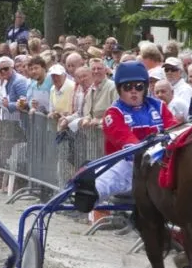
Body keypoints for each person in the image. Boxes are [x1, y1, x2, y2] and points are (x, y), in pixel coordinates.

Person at [72, 61, 177, 211]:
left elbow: (175, 129)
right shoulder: (113, 113)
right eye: (128, 87)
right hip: (129, 164)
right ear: (119, 90)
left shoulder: (159, 106)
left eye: (139, 87)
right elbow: (126, 141)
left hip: (163, 161)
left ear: (145, 87)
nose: (134, 91)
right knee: (112, 174)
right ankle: (89, 193)